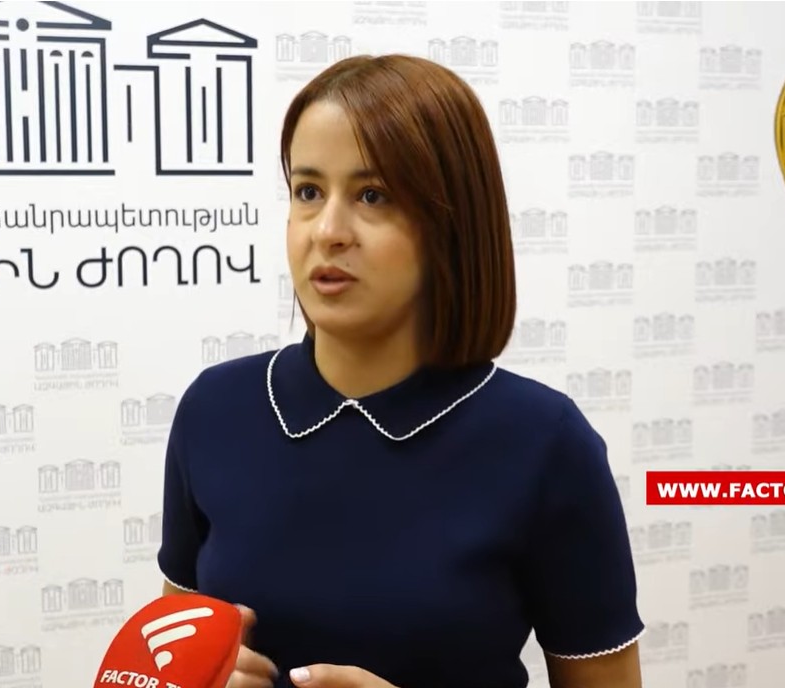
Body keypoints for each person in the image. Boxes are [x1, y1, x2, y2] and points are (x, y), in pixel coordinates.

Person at [156, 54, 643, 688]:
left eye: (373, 195)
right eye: (308, 192)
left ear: (451, 221)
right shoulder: (214, 409)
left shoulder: (544, 441)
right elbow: (167, 658)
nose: (328, 231)